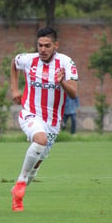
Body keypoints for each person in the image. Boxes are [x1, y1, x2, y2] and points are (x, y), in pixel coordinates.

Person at [10, 27, 78, 211]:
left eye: (47, 45)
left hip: (53, 122)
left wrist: (62, 82)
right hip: (29, 112)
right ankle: (20, 183)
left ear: (56, 45)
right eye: (40, 45)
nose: (43, 49)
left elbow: (73, 93)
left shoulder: (66, 62)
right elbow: (13, 63)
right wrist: (15, 89)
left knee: (36, 166)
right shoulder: (28, 59)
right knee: (40, 139)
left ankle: (19, 191)